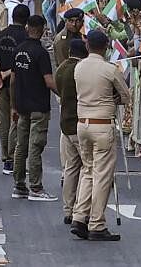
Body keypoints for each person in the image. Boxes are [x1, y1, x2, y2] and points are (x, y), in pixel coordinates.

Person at [71, 29, 132, 241]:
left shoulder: (79, 67)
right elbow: (126, 95)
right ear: (106, 47)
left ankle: (79, 216)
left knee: (87, 170)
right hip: (102, 124)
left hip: (82, 123)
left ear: (87, 46)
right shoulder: (109, 69)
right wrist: (112, 99)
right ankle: (96, 223)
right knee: (102, 175)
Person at [10, 13, 57, 202]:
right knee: (35, 146)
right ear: (43, 29)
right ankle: (36, 187)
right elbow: (48, 81)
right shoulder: (41, 53)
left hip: (22, 106)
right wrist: (64, 95)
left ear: (27, 28)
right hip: (38, 107)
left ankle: (19, 185)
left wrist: (13, 105)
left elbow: (13, 79)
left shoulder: (19, 50)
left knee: (21, 146)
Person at [0, 4, 29, 175]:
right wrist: (8, 73)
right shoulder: (26, 38)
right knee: (17, 122)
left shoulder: (1, 35)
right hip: (21, 85)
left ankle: (5, 158)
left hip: (2, 84)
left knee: (4, 122)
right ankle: (13, 158)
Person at [56, 36, 87, 227]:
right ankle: (80, 210)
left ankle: (68, 209)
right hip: (79, 122)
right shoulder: (80, 70)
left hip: (65, 123)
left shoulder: (60, 69)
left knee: (70, 168)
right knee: (87, 168)